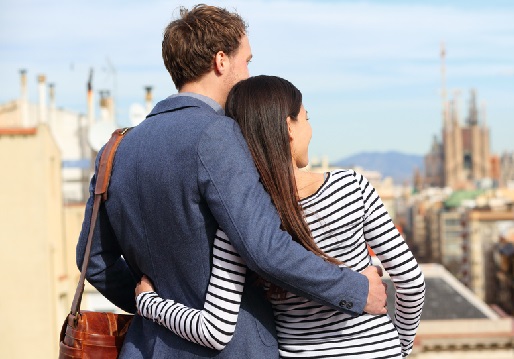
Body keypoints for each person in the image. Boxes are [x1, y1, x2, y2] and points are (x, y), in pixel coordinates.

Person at [75, 5, 388, 358]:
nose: (248, 72)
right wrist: (356, 289)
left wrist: (152, 305)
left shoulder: (116, 148)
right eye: (247, 61)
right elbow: (265, 248)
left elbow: (95, 260)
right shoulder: (218, 135)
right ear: (221, 61)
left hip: (145, 348)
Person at [134, 75, 426, 358]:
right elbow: (411, 282)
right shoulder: (352, 188)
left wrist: (149, 303)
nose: (310, 130)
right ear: (289, 127)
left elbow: (214, 330)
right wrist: (398, 347)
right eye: (307, 118)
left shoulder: (242, 217)